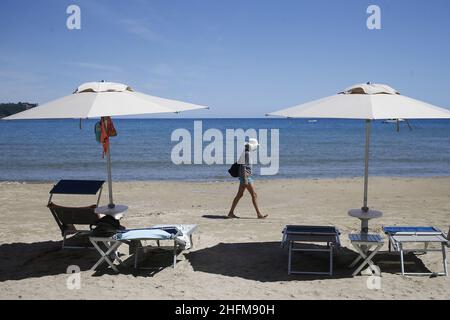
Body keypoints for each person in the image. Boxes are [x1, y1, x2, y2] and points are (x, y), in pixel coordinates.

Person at [228, 138, 268, 219]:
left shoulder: (245, 153)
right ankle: (259, 214)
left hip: (244, 177)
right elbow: (243, 166)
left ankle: (231, 213)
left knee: (240, 195)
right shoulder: (247, 154)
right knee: (254, 195)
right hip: (246, 177)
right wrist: (245, 179)